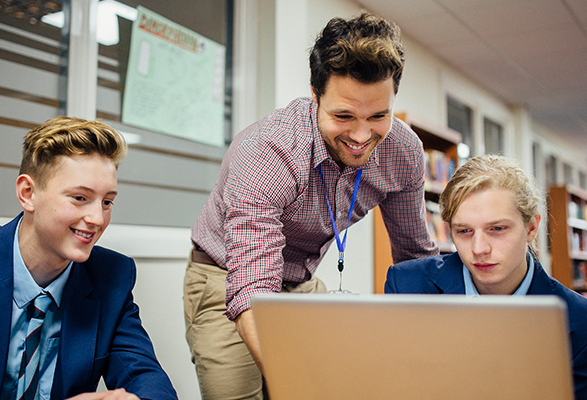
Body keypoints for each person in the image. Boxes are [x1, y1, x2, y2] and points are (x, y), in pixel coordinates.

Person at [184, 12, 438, 399]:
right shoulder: (268, 152)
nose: (361, 135)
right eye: (343, 115)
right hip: (227, 278)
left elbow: (415, 259)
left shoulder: (402, 151)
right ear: (315, 93)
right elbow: (253, 286)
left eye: (378, 116)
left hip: (300, 281)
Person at [0, 117, 178, 400]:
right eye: (79, 197)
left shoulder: (111, 276)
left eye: (107, 201)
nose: (97, 219)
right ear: (28, 194)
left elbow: (146, 378)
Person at [384, 154, 587, 397]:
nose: (479, 248)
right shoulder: (407, 285)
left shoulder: (579, 321)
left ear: (532, 228)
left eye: (497, 229)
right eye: (464, 231)